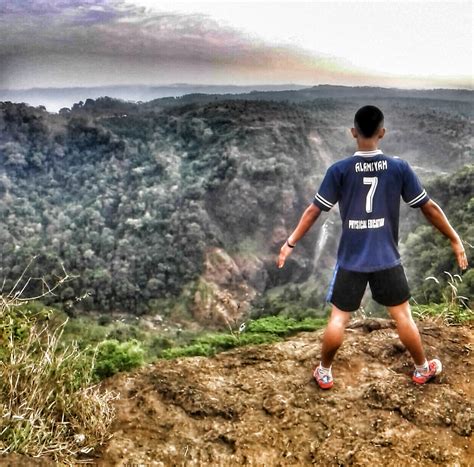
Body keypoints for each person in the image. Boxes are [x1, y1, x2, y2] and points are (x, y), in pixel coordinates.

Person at [277, 105, 468, 389]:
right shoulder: (398, 168)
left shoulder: (339, 170)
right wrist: (454, 238)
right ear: (382, 133)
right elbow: (428, 207)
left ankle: (325, 372)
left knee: (338, 320)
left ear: (353, 133)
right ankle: (421, 368)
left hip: (351, 260)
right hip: (387, 259)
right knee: (403, 316)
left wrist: (290, 242)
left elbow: (313, 210)